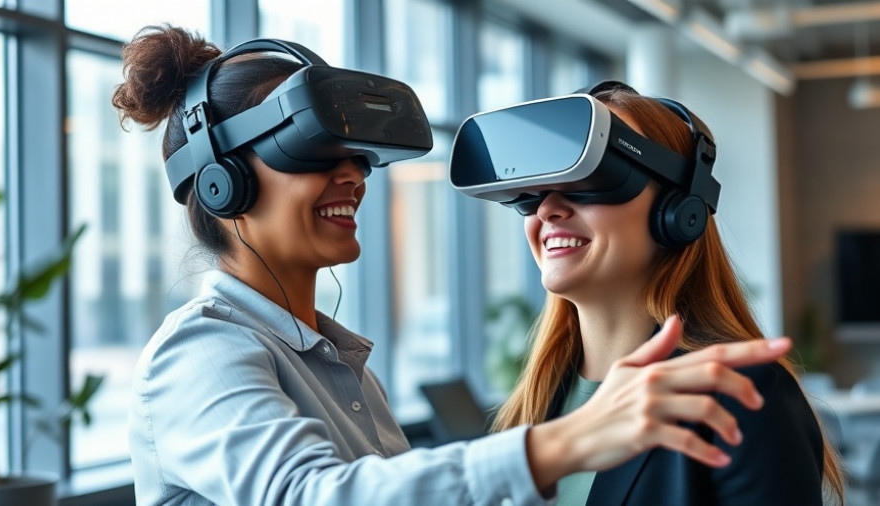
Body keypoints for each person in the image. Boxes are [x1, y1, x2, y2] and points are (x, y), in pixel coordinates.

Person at [113, 25, 795, 506]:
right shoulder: (201, 351)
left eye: (360, 158)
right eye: (315, 153)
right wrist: (568, 441)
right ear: (222, 183)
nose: (355, 177)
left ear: (677, 212)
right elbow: (307, 495)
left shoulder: (346, 373)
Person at [450, 81, 844, 505]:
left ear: (679, 211)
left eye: (591, 177)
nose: (547, 209)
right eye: (534, 192)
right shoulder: (529, 408)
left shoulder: (740, 394)